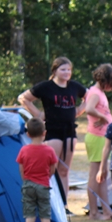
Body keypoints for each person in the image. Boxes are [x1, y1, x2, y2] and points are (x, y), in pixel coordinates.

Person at [17, 57, 87, 201]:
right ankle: (49, 200)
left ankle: (64, 203)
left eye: (69, 69)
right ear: (55, 71)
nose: (66, 72)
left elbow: (90, 96)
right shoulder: (46, 86)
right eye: (63, 69)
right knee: (51, 169)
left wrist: (79, 110)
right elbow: (23, 98)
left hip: (69, 130)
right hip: (52, 130)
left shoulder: (74, 86)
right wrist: (38, 114)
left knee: (64, 170)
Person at [82, 64, 112, 219]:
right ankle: (94, 212)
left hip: (102, 138)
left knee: (102, 176)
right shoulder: (95, 93)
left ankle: (106, 210)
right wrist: (104, 117)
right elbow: (89, 108)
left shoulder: (99, 92)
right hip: (96, 137)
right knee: (95, 175)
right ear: (105, 80)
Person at [16, 118, 59, 222]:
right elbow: (53, 168)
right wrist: (47, 176)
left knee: (29, 217)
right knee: (45, 216)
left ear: (28, 134)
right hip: (43, 185)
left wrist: (25, 179)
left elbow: (21, 168)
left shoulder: (24, 150)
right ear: (44, 133)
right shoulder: (49, 150)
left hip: (28, 185)